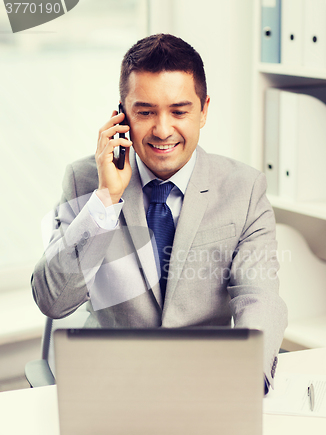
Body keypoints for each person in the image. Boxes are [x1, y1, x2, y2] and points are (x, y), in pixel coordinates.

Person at [32, 33, 287, 393]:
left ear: (204, 110)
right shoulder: (84, 181)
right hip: (109, 386)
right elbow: (52, 300)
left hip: (206, 384)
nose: (163, 130)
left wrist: (247, 376)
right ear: (121, 115)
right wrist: (106, 199)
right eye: (145, 112)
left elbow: (259, 297)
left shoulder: (244, 189)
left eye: (179, 111)